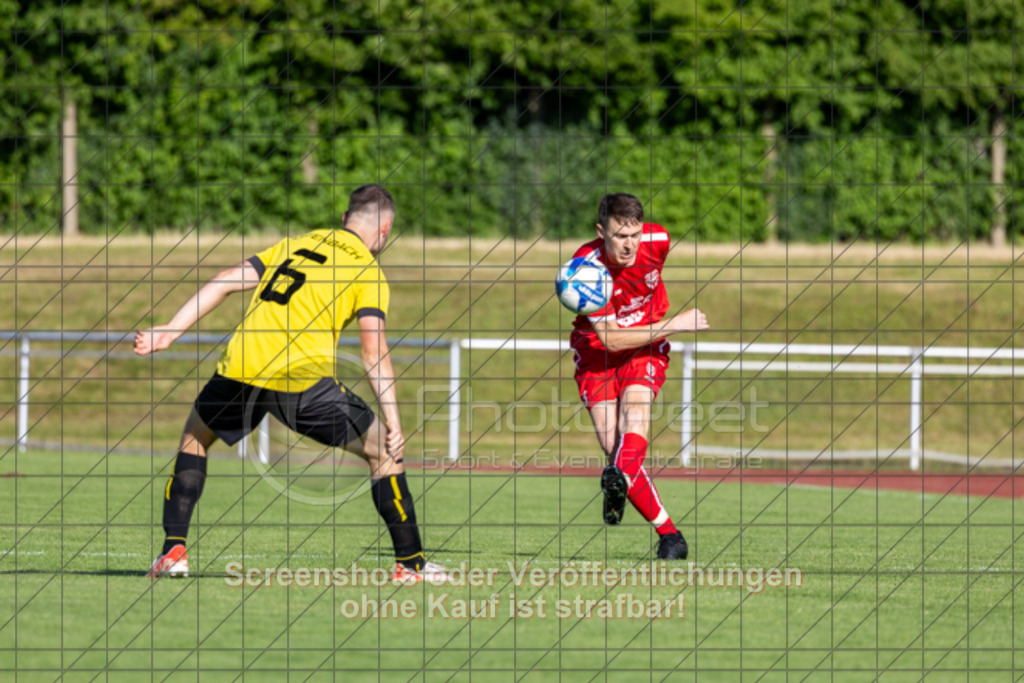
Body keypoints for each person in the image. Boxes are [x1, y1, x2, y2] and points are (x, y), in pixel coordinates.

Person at [134, 184, 445, 582]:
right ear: (384, 231)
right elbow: (373, 353)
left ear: (345, 219)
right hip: (301, 380)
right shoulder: (368, 272)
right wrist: (395, 422)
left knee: (195, 438)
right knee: (384, 454)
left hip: (243, 366)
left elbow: (227, 279)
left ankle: (172, 551)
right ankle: (411, 565)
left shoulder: (292, 246)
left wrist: (169, 331)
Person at [569, 193, 709, 560]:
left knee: (635, 418)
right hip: (597, 351)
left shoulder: (659, 240)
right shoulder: (585, 268)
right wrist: (674, 325)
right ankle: (652, 512)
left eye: (634, 235)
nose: (629, 244)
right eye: (619, 236)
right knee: (612, 445)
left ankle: (669, 539)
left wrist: (660, 327)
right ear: (602, 232)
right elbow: (611, 339)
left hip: (645, 349)